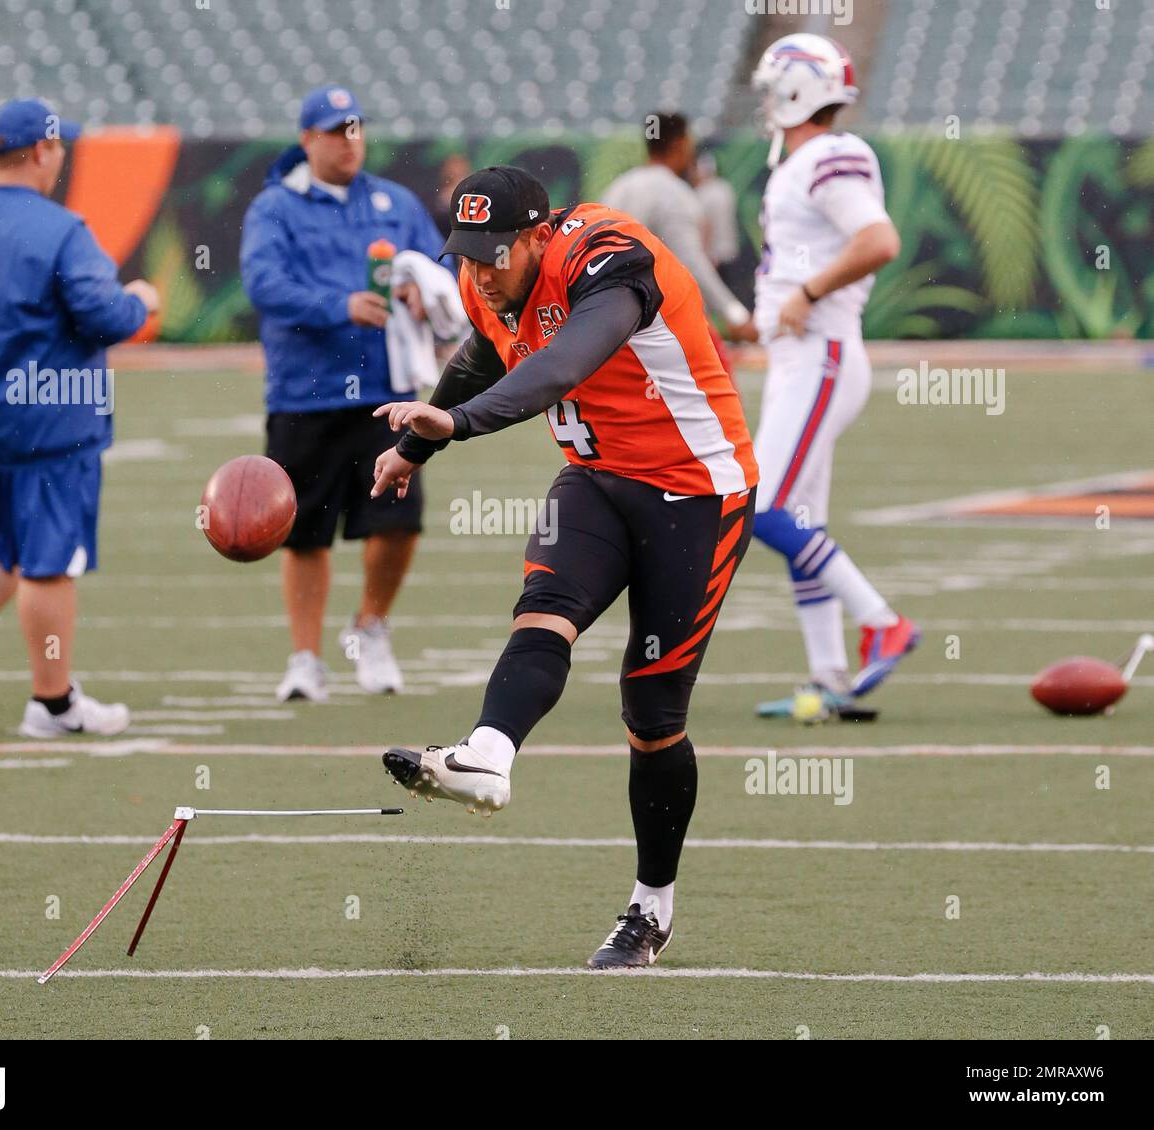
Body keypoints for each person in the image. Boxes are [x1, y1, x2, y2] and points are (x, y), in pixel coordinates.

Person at [370, 167, 759, 969]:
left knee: (652, 712)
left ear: (541, 235)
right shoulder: (490, 278)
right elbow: (488, 349)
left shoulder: (610, 260)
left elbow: (560, 365)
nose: (479, 274)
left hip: (696, 492)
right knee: (543, 608)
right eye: (467, 257)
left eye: (496, 255)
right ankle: (488, 754)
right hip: (597, 480)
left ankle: (651, 907)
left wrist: (456, 424)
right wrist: (415, 445)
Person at [0, 97, 159, 736]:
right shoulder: (60, 229)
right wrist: (139, 301)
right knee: (48, 559)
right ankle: (53, 702)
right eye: (59, 147)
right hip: (53, 421)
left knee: (6, 536)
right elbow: (103, 316)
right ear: (42, 150)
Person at [240, 85, 448, 702]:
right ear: (307, 139)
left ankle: (371, 628)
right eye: (335, 130)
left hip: (388, 392)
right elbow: (263, 283)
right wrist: (338, 306)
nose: (349, 140)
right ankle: (305, 657)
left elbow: (439, 263)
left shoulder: (394, 200)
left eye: (355, 127)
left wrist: (421, 291)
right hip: (306, 393)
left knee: (399, 521)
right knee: (302, 531)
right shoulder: (275, 207)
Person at [747, 34, 919, 720]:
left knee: (758, 508)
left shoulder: (827, 155)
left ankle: (882, 621)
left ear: (799, 87)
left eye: (773, 86)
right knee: (799, 518)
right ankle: (830, 678)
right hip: (803, 354)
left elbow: (878, 241)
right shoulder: (804, 161)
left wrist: (808, 293)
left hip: (822, 353)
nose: (766, 100)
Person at [602, 111, 757, 343]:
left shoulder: (617, 187)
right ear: (679, 144)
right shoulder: (675, 194)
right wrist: (735, 314)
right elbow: (692, 262)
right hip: (660, 322)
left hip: (611, 315)